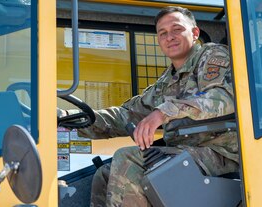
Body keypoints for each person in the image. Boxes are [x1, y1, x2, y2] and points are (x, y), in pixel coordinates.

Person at [59, 6, 239, 207]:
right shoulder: (166, 82)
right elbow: (126, 115)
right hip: (184, 153)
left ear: (195, 33)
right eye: (163, 33)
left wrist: (163, 113)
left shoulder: (213, 56)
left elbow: (221, 98)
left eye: (177, 29)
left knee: (127, 159)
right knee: (105, 173)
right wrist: (68, 119)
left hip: (220, 153)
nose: (169, 37)